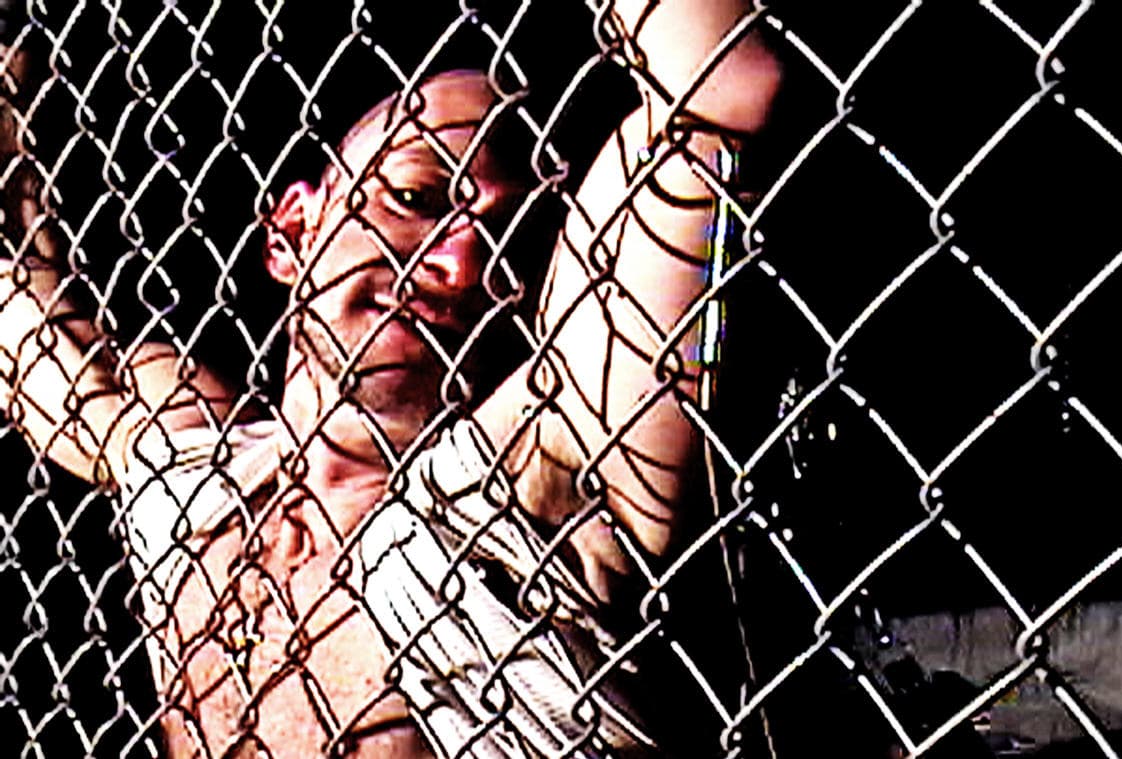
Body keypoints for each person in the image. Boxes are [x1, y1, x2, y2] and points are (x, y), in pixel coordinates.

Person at [0, 2, 782, 756]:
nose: (462, 263)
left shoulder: (532, 484)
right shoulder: (193, 483)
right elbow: (27, 315)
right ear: (292, 232)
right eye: (415, 198)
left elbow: (717, 90)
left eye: (511, 244)